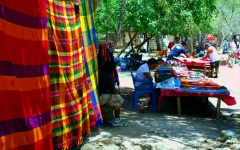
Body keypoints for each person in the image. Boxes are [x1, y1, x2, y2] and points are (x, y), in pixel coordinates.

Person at [98, 61, 128, 127]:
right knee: (118, 99)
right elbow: (113, 92)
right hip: (99, 97)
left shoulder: (99, 73)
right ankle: (117, 121)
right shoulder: (107, 76)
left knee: (113, 97)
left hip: (94, 96)